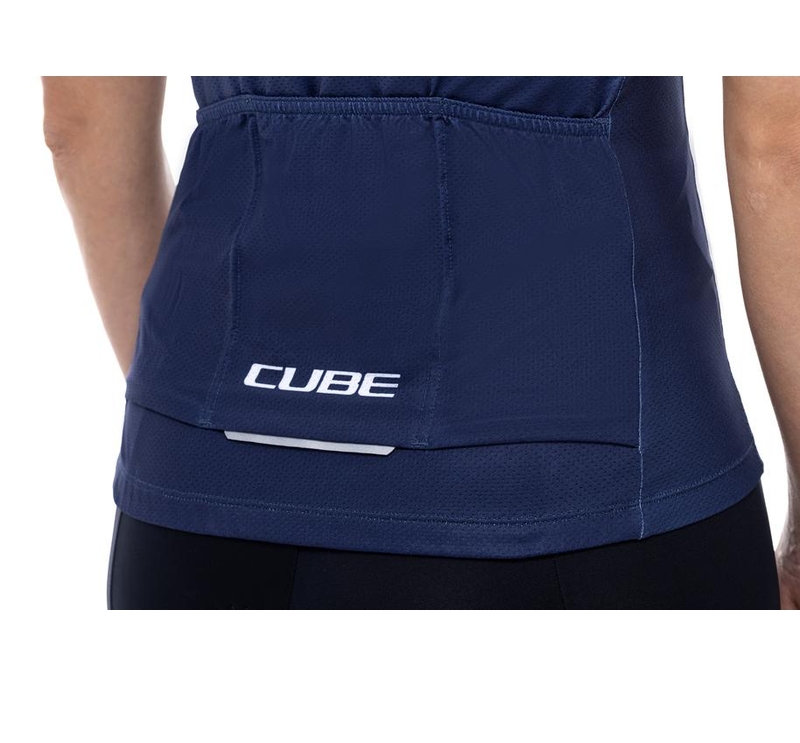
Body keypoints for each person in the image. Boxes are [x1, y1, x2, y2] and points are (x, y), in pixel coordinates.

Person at [41, 76, 799, 610]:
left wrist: (212, 408)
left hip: (194, 504)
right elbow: (780, 140)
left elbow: (79, 123)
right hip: (584, 490)